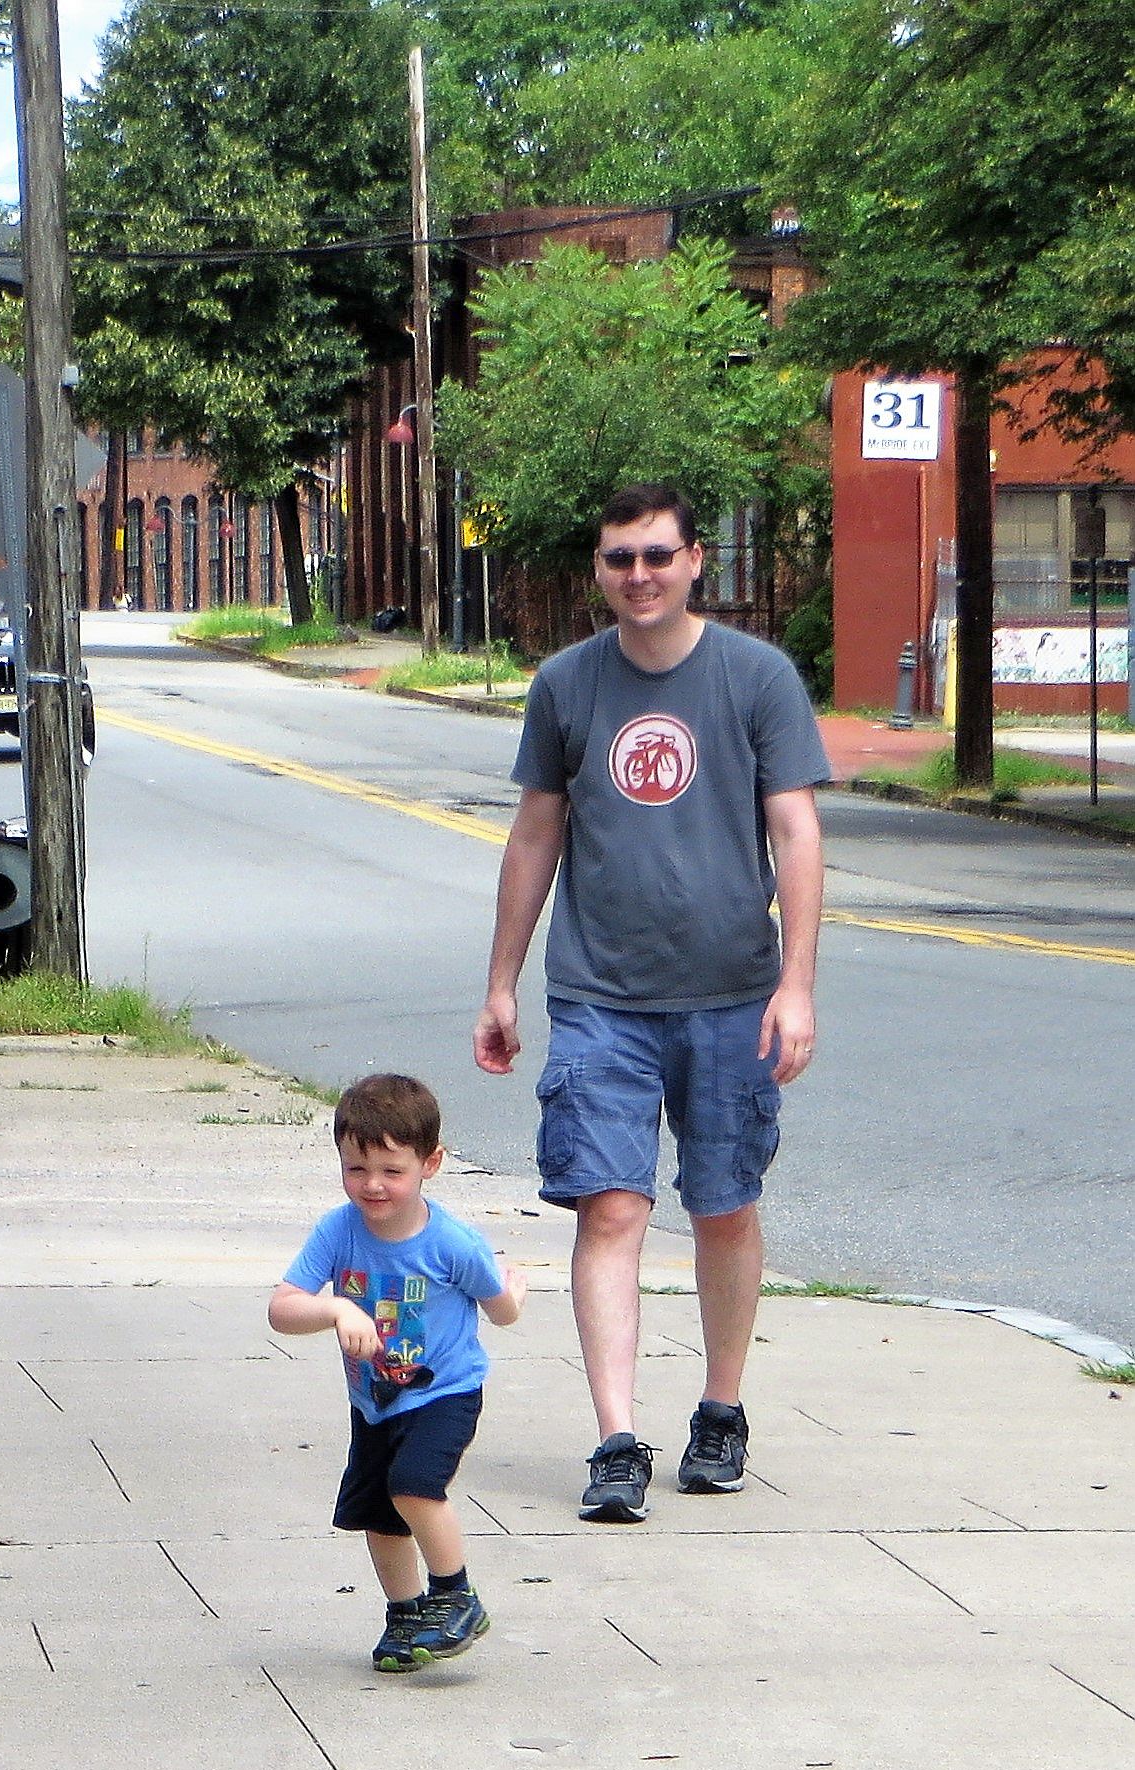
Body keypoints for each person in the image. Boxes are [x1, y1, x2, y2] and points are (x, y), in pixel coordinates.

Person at [473, 483, 829, 1524]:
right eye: (619, 557)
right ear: (598, 567)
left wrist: (796, 984)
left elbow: (795, 832)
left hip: (731, 992)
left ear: (694, 561)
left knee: (722, 1202)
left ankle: (719, 1410)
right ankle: (616, 1438)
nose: (639, 575)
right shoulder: (566, 685)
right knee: (611, 1203)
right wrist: (500, 981)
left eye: (657, 555)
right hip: (601, 997)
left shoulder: (755, 677)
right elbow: (534, 833)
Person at [269, 1073, 526, 1671]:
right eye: (356, 1169)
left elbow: (500, 1309)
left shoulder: (452, 1244)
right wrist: (335, 1308)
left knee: (412, 1485)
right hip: (374, 1399)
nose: (373, 1185)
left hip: (444, 1392)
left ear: (430, 1163)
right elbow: (282, 1309)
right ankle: (406, 1613)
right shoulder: (338, 1230)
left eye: (392, 1170)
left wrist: (514, 1293)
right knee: (379, 1512)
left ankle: (455, 1595)